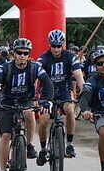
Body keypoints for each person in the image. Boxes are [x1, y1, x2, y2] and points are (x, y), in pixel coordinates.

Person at [0, 38, 54, 171]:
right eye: (19, 53)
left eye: (26, 53)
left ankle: (29, 144)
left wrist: (47, 100)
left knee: (29, 114)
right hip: (7, 102)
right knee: (6, 136)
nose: (22, 56)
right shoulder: (4, 68)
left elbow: (47, 82)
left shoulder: (35, 67)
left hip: (26, 101)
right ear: (13, 54)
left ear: (29, 55)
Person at [36, 29, 85, 163]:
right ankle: (42, 148)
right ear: (49, 44)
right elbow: (35, 78)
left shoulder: (70, 56)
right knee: (44, 119)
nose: (56, 49)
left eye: (59, 46)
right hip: (47, 92)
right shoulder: (43, 58)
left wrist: (85, 91)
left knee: (70, 110)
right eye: (53, 46)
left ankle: (69, 144)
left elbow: (78, 74)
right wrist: (34, 95)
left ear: (63, 44)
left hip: (64, 90)